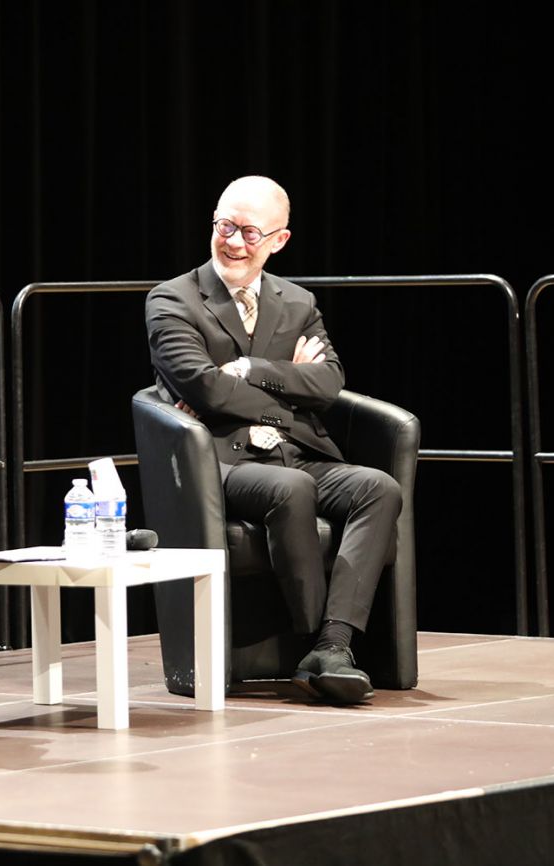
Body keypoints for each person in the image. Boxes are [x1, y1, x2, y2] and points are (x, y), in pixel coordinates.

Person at [144, 175, 401, 705]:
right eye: (224, 226)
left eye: (249, 232)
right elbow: (205, 389)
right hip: (219, 462)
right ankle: (313, 641)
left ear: (279, 240)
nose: (233, 241)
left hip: (299, 454)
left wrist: (252, 368)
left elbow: (329, 383)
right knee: (290, 489)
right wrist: (287, 381)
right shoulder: (173, 299)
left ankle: (332, 645)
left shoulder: (298, 302)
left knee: (378, 488)